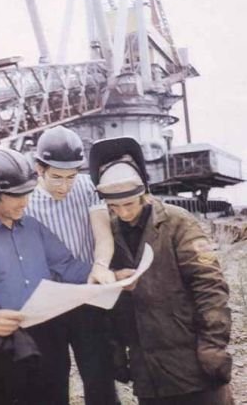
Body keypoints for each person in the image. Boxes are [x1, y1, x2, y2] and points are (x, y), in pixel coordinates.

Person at [89, 136, 234, 405]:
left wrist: (213, 345)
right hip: (148, 373)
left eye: (129, 204)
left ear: (144, 193)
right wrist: (116, 350)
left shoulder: (178, 223)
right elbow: (110, 304)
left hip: (192, 361)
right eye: (114, 207)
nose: (123, 213)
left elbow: (209, 286)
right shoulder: (108, 234)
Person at [0, 147, 93, 405]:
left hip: (48, 340)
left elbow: (67, 266)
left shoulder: (32, 227)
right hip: (3, 346)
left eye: (28, 193)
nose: (24, 202)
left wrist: (109, 276)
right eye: (16, 195)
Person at [27, 125, 118, 405]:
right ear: (39, 169)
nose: (64, 186)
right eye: (56, 177)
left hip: (87, 296)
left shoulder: (87, 188)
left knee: (100, 377)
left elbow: (103, 235)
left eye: (71, 177)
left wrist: (100, 265)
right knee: (51, 381)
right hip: (48, 302)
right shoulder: (25, 201)